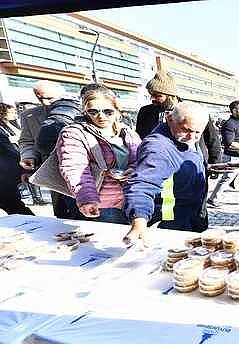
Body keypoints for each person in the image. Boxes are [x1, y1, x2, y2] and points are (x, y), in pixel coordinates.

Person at [122, 102, 211, 244]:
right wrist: (139, 219)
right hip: (169, 222)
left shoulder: (185, 136)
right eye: (186, 130)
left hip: (191, 215)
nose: (192, 137)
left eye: (197, 132)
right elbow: (143, 183)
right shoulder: (158, 148)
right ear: (170, 119)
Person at [56, 88, 141, 224]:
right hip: (103, 203)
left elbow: (139, 159)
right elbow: (75, 169)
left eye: (108, 112)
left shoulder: (128, 132)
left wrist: (133, 169)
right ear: (85, 112)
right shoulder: (74, 133)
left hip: (130, 198)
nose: (101, 116)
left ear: (118, 111)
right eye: (93, 112)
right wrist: (88, 198)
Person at [18, 80, 65, 206]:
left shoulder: (80, 111)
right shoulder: (29, 116)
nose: (45, 102)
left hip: (83, 171)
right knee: (61, 211)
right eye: (40, 98)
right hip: (51, 172)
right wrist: (28, 156)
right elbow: (26, 140)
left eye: (49, 98)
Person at [207, 100, 239, 204]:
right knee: (226, 179)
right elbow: (230, 144)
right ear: (234, 110)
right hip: (233, 158)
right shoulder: (229, 124)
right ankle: (212, 200)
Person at [0, 103, 33, 215]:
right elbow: (10, 151)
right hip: (5, 175)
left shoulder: (7, 126)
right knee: (15, 206)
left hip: (6, 175)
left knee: (14, 206)